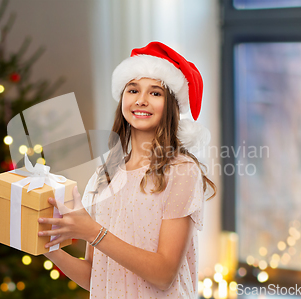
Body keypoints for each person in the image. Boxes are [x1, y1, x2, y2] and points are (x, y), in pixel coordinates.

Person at [38, 41, 216, 298]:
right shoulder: (105, 173)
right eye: (133, 90)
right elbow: (94, 275)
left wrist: (92, 232)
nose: (141, 100)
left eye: (155, 93)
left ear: (172, 106)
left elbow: (164, 275)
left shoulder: (181, 171)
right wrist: (48, 249)